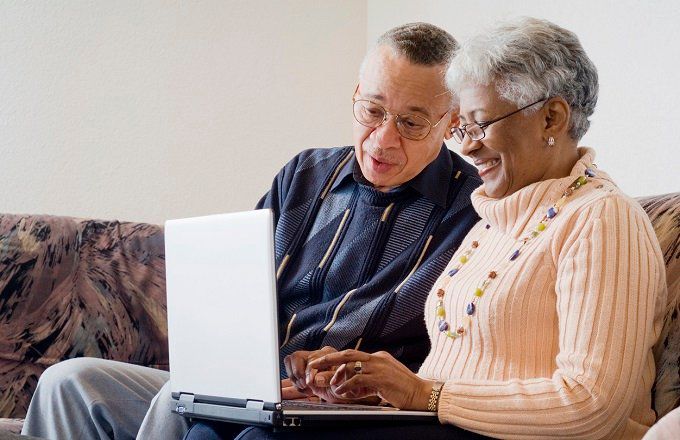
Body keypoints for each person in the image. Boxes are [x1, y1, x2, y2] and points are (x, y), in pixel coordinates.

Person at [185, 17, 670, 440]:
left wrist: (422, 393)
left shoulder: (603, 219)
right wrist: (368, 392)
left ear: (552, 117)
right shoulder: (497, 215)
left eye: (479, 125)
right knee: (216, 427)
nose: (469, 147)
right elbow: (448, 377)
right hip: (438, 426)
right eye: (463, 129)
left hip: (494, 435)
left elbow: (592, 407)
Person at [21, 23, 482, 440]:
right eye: (372, 110)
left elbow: (457, 353)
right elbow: (236, 299)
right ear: (357, 93)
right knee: (68, 383)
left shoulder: (474, 211)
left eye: (411, 122)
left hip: (349, 410)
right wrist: (245, 370)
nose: (383, 138)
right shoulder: (305, 173)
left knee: (186, 408)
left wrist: (342, 385)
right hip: (255, 385)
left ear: (452, 122)